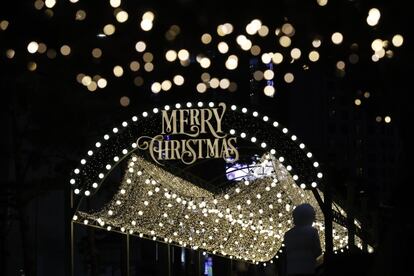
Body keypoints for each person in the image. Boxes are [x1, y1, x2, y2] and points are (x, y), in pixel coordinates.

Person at [283, 203, 323, 276]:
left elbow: (286, 254)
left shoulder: (288, 234)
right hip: (308, 270)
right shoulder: (312, 231)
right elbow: (318, 252)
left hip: (292, 271)